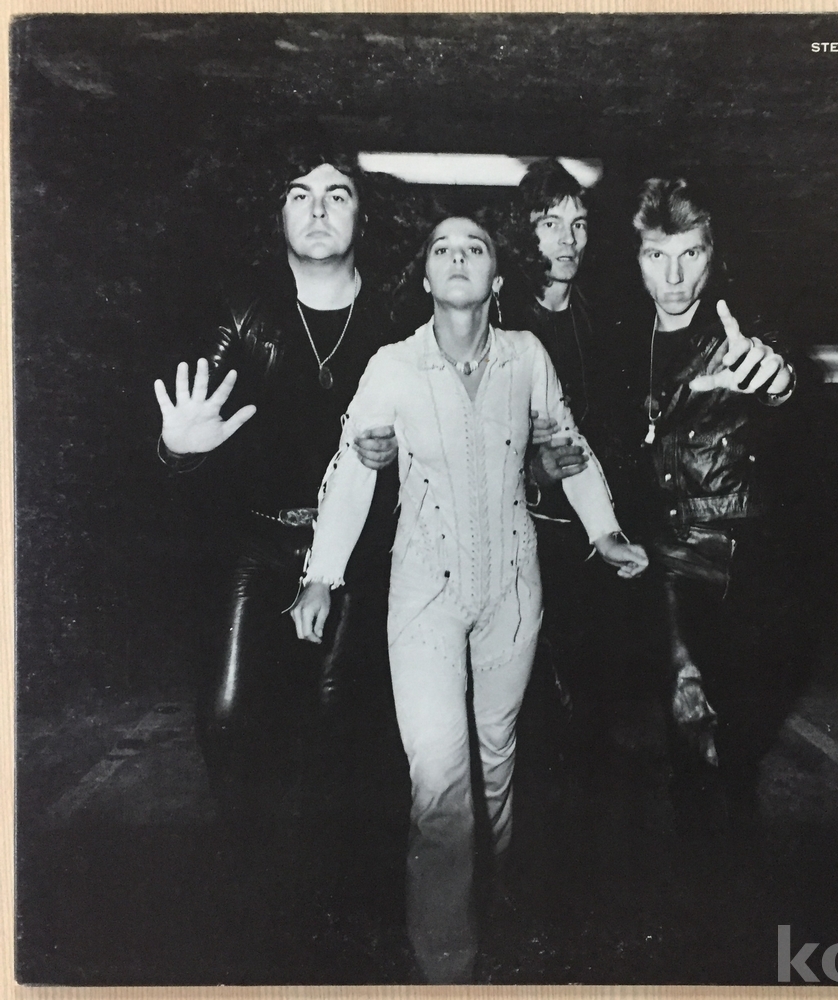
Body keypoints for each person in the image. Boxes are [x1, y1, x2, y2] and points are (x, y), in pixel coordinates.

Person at [290, 211, 647, 983]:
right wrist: (321, 574)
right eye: (443, 250)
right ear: (424, 276)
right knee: (440, 779)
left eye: (474, 248)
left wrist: (607, 531)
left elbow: (567, 446)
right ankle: (446, 965)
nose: (457, 258)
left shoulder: (527, 357)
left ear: (498, 276)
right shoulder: (393, 365)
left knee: (494, 764)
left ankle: (496, 900)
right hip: (424, 593)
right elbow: (351, 467)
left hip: (513, 589)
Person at [153, 144, 401, 822]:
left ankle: (334, 879)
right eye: (299, 194)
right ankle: (247, 873)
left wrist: (401, 454)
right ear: (278, 214)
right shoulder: (240, 311)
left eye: (336, 195)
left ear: (363, 216)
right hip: (255, 545)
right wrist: (178, 449)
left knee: (342, 736)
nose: (318, 210)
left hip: (358, 553)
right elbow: (180, 446)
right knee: (230, 723)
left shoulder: (394, 318)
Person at [609, 176, 800, 830]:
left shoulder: (735, 336)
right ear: (637, 257)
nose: (674, 276)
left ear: (713, 255)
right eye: (657, 256)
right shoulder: (620, 342)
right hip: (656, 563)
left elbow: (780, 380)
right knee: (683, 733)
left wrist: (776, 379)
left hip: (733, 560)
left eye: (690, 254)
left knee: (735, 743)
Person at [501, 158, 611, 728]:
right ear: (525, 232)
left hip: (587, 542)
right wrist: (533, 470)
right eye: (550, 223)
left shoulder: (600, 321)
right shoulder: (501, 324)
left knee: (586, 699)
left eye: (579, 224)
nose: (568, 240)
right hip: (519, 543)